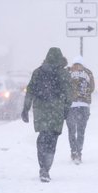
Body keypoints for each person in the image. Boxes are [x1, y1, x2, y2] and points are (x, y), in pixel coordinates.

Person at [21, 47, 72, 182]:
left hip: (40, 110)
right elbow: (69, 94)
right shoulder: (63, 73)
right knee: (52, 139)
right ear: (60, 58)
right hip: (56, 110)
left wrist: (25, 109)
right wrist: (66, 109)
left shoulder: (38, 72)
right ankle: (46, 168)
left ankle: (42, 166)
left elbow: (30, 91)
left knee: (43, 137)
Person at [66, 56, 95, 164]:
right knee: (81, 132)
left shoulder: (68, 72)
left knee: (71, 131)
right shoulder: (88, 73)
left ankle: (73, 152)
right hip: (84, 106)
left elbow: (64, 87)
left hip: (71, 106)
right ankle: (79, 153)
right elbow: (92, 88)